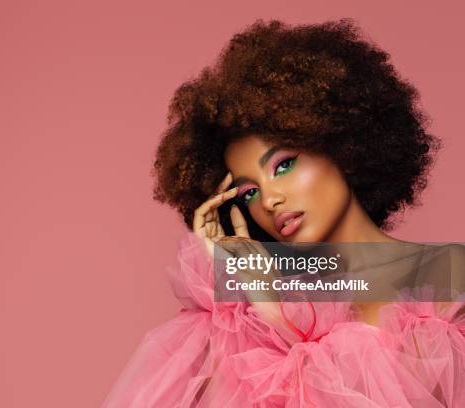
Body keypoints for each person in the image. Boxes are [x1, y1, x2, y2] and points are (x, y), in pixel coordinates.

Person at [103, 19, 465, 407]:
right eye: (249, 192)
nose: (269, 200)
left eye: (284, 165)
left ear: (341, 143)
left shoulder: (447, 276)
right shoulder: (246, 318)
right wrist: (269, 305)